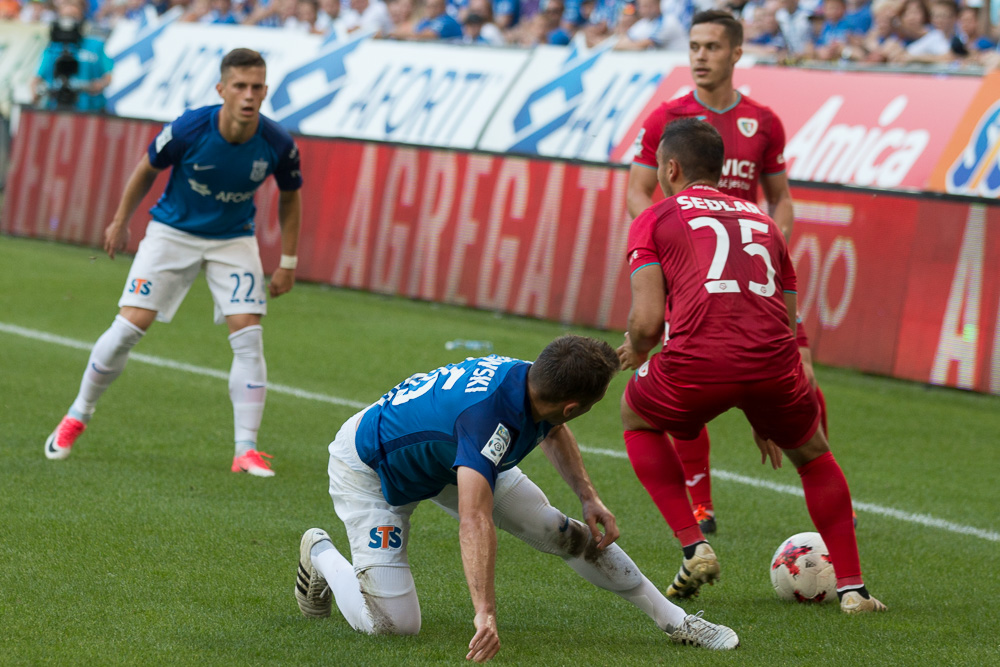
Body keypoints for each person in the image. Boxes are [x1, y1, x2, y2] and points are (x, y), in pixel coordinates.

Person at [293, 336, 740, 660]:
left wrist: (588, 496)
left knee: (561, 531)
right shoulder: (490, 421)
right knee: (393, 626)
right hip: (372, 468)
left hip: (449, 455)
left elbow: (552, 427)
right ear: (574, 405)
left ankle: (676, 622)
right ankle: (320, 553)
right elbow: (474, 520)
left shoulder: (532, 377)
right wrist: (484, 613)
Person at [618, 117, 887, 614]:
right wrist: (765, 409)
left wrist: (635, 350)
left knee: (635, 417)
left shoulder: (655, 217)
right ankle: (854, 590)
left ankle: (693, 544)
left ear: (671, 168)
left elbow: (650, 322)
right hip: (774, 365)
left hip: (697, 362)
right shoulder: (764, 222)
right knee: (814, 456)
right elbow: (786, 321)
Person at [44, 48, 303, 479]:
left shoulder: (277, 142)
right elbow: (147, 168)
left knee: (249, 333)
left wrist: (289, 261)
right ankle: (77, 414)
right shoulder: (189, 128)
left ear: (266, 91)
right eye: (239, 86)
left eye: (256, 87)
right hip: (172, 234)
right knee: (130, 326)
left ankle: (247, 449)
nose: (248, 95)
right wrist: (120, 220)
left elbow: (292, 197)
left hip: (233, 239)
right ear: (222, 90)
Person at [628, 9, 827, 539]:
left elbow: (781, 198)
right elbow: (636, 190)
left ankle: (831, 501)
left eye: (712, 47)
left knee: (800, 367)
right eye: (693, 46)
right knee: (686, 372)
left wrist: (771, 242)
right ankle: (701, 504)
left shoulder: (762, 121)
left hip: (754, 269)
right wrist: (661, 245)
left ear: (737, 52)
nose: (699, 56)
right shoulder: (667, 117)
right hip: (691, 273)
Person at [30, 0, 113, 112]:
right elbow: (37, 78)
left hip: (89, 110)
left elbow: (108, 76)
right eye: (66, 17)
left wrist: (96, 85)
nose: (69, 22)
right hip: (56, 110)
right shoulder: (52, 47)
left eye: (73, 17)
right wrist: (36, 93)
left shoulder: (95, 45)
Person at [613, 0, 686, 50]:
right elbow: (621, 42)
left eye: (646, 6)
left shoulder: (668, 22)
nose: (642, 10)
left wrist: (627, 45)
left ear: (657, 5)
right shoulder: (644, 23)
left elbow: (642, 46)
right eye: (641, 6)